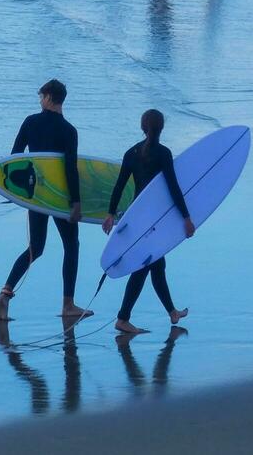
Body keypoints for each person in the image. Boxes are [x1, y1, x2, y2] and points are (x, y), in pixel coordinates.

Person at [0, 79, 93, 323]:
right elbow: (70, 168)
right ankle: (68, 304)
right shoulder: (69, 130)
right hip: (60, 199)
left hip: (37, 196)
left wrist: (14, 192)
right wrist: (76, 202)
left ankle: (6, 292)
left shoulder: (31, 122)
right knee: (71, 246)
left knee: (36, 248)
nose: (40, 100)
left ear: (49, 97)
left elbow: (15, 158)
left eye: (41, 96)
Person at [103, 109, 194, 335]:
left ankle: (171, 312)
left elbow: (120, 185)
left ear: (142, 128)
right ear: (161, 128)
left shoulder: (131, 153)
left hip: (137, 218)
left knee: (156, 264)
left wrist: (110, 213)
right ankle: (123, 318)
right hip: (156, 219)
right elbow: (173, 187)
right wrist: (186, 217)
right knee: (144, 267)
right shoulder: (163, 153)